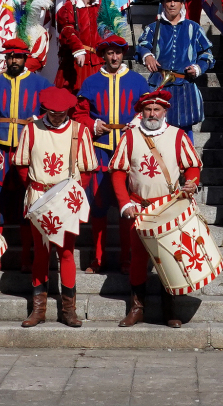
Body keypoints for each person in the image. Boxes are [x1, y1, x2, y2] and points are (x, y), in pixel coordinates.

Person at [108, 87, 204, 328]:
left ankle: (169, 309)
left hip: (169, 208)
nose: (152, 113)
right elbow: (118, 172)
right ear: (141, 112)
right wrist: (124, 203)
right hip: (139, 208)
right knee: (139, 259)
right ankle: (137, 308)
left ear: (164, 111)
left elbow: (192, 167)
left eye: (156, 109)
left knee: (169, 258)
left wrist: (192, 183)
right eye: (148, 109)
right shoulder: (129, 137)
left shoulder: (178, 135)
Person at [16, 84, 95, 328]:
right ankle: (38, 309)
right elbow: (21, 166)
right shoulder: (31, 129)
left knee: (67, 252)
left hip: (65, 199)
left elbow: (89, 170)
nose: (57, 116)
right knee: (40, 252)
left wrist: (70, 196)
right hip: (39, 197)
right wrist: (38, 192)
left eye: (61, 113)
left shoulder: (79, 131)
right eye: (52, 112)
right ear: (45, 110)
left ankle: (68, 310)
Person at [75, 35, 147, 275]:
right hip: (101, 151)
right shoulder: (91, 81)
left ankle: (128, 260)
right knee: (98, 205)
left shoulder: (137, 81)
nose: (114, 57)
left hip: (130, 153)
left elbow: (148, 110)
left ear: (123, 54)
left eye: (118, 52)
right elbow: (80, 114)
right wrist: (94, 125)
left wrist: (137, 122)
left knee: (128, 206)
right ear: (103, 56)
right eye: (109, 53)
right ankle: (98, 259)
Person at [0, 38, 50, 227]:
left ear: (25, 58)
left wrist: (37, 120)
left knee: (28, 195)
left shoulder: (41, 83)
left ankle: (27, 252)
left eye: (18, 57)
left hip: (28, 149)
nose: (13, 61)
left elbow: (52, 112)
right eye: (10, 57)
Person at [137, 0, 214, 130]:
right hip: (158, 85)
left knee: (184, 130)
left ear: (182, 3)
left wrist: (198, 68)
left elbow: (207, 54)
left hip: (185, 87)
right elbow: (142, 45)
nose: (172, 4)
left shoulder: (194, 28)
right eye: (168, 0)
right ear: (163, 3)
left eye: (176, 1)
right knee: (156, 128)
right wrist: (147, 55)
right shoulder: (153, 28)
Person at [55, 0, 107, 90]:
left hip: (99, 62)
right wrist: (78, 49)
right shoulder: (69, 8)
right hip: (77, 64)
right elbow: (67, 31)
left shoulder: (101, 8)